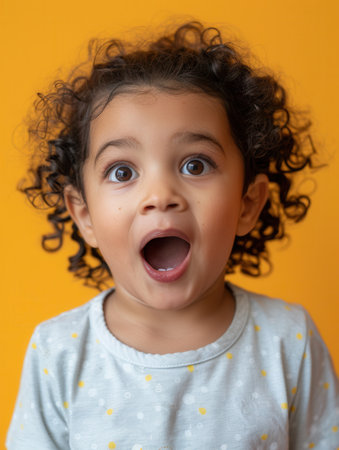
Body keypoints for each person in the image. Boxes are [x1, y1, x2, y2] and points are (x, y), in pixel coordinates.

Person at [7, 21, 338, 449]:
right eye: (122, 172)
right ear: (84, 215)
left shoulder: (288, 340)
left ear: (247, 203)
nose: (160, 196)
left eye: (195, 165)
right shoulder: (58, 353)